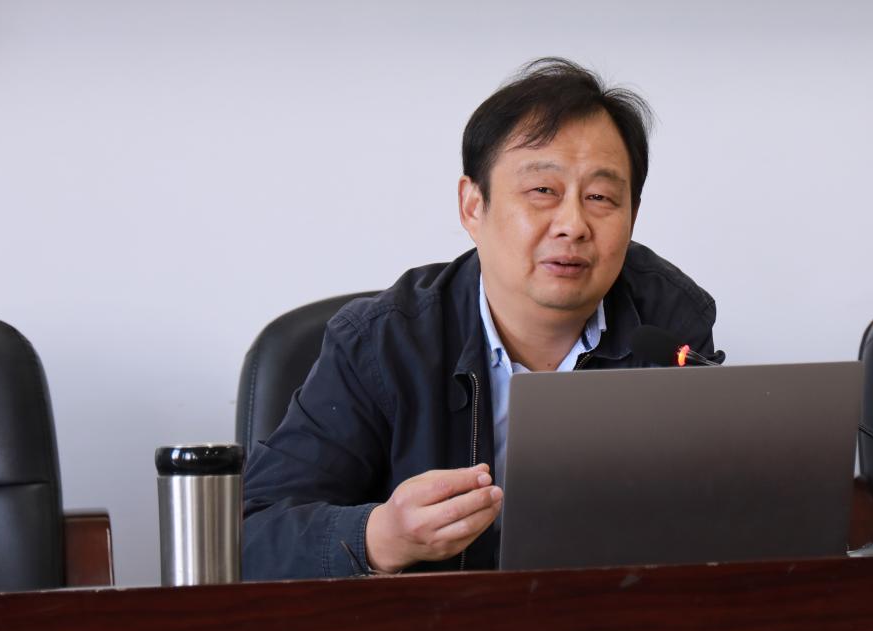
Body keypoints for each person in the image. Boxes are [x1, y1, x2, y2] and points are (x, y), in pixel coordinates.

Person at [243, 58, 717, 579]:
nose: (573, 225)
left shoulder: (669, 324)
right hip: (433, 625)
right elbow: (250, 536)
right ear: (473, 206)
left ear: (633, 216)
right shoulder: (381, 343)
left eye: (600, 197)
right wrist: (379, 537)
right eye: (543, 191)